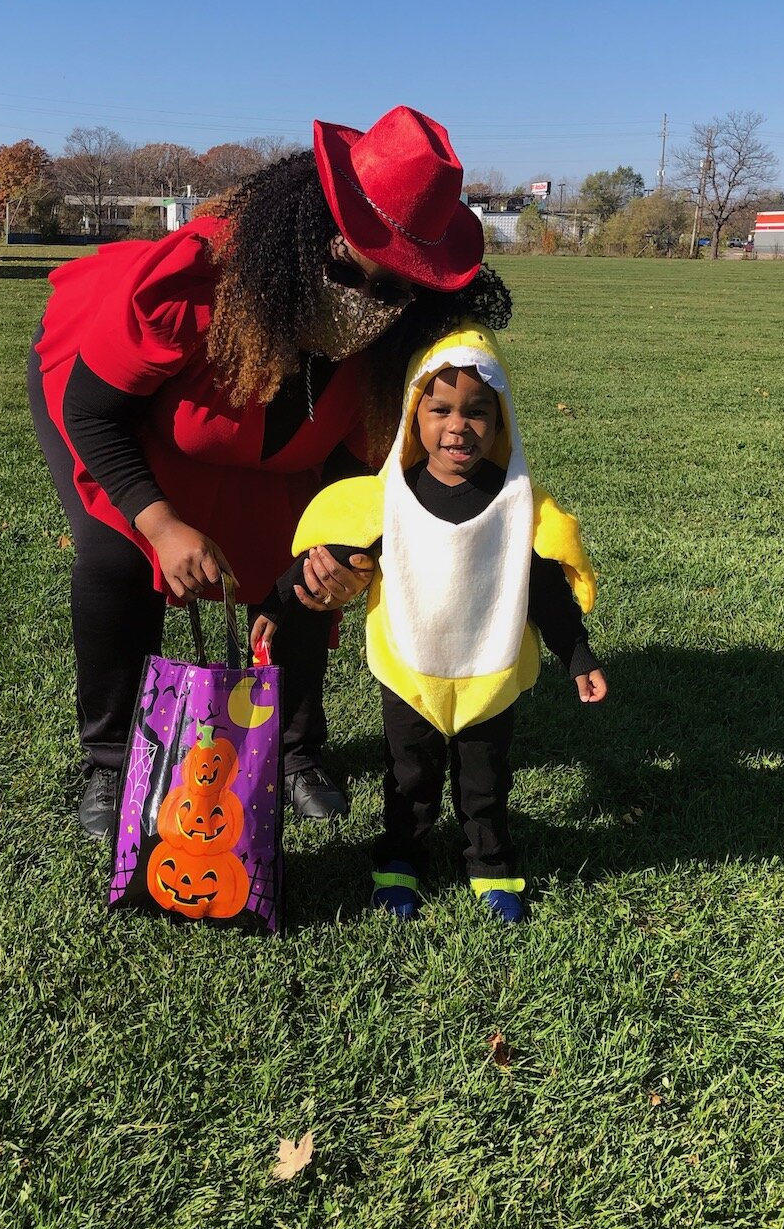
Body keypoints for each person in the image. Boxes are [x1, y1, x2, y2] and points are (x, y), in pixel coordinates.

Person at [29, 105, 489, 839]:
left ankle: (295, 749)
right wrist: (162, 521)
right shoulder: (198, 281)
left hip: (268, 444)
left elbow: (352, 477)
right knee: (119, 553)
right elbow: (93, 412)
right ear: (307, 235)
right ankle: (113, 760)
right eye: (351, 271)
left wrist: (342, 552)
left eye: (395, 289)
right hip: (122, 408)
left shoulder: (390, 347)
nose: (366, 305)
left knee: (301, 567)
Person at [251, 318, 607, 923]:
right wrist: (275, 605)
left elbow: (545, 587)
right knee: (408, 777)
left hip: (488, 671)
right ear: (414, 416)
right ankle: (398, 864)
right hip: (410, 667)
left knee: (486, 781)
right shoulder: (387, 497)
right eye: (439, 410)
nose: (457, 427)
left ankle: (492, 867)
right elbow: (331, 551)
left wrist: (578, 656)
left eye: (476, 412)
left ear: (500, 424)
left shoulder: (521, 504)